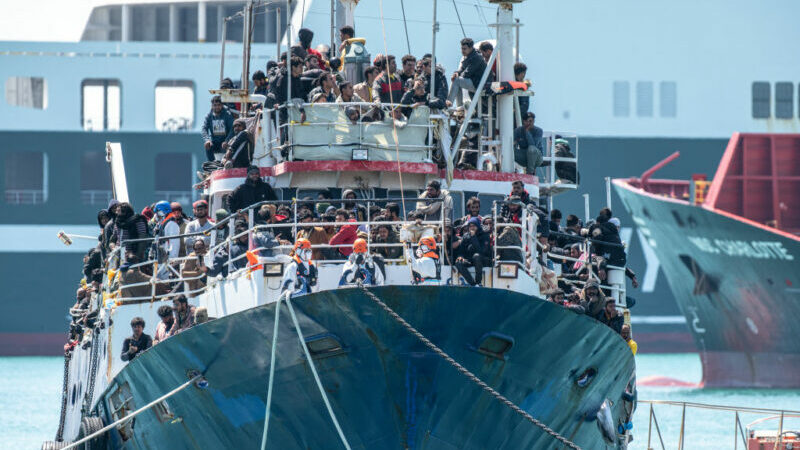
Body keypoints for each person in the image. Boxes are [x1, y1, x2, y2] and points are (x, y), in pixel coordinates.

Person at [448, 38, 487, 107]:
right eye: (462, 48)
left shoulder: (477, 57)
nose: (462, 51)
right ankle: (459, 107)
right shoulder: (468, 56)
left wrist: (458, 76)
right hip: (475, 83)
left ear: (471, 48)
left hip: (479, 84)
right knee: (456, 80)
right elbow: (462, 69)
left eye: (464, 49)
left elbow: (467, 73)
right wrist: (456, 73)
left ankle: (447, 105)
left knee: (457, 81)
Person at [453, 217, 490, 286]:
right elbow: (461, 250)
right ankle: (473, 284)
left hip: (482, 259)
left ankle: (478, 281)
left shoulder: (484, 235)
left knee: (476, 256)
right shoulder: (466, 236)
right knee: (458, 263)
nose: (472, 228)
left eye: (474, 226)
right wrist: (460, 256)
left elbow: (481, 251)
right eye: (470, 226)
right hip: (470, 259)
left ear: (478, 226)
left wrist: (473, 237)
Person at [200, 96, 235, 161]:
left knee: (228, 148)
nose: (216, 107)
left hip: (225, 141)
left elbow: (232, 129)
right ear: (212, 106)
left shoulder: (227, 114)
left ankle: (225, 164)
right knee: (208, 146)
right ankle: (211, 165)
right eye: (214, 105)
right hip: (215, 141)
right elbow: (204, 129)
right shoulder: (209, 116)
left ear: (222, 105)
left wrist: (227, 141)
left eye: (219, 105)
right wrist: (207, 140)